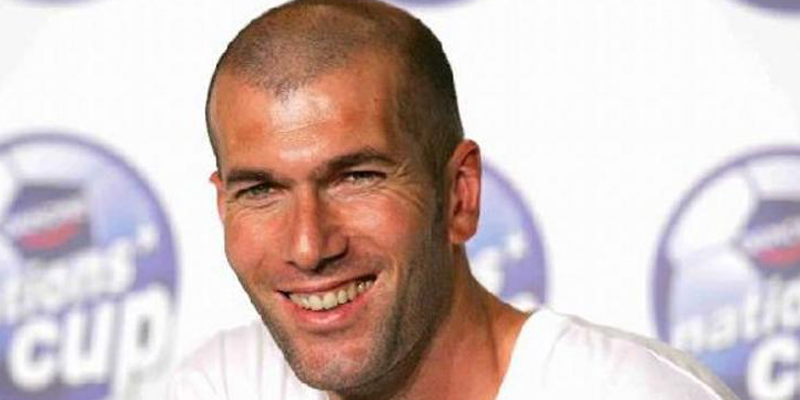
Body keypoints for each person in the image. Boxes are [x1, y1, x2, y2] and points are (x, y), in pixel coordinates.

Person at [169, 0, 739, 399]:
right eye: (261, 190)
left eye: (356, 178)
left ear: (459, 195)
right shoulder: (225, 384)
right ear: (222, 206)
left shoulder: (627, 392)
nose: (309, 246)